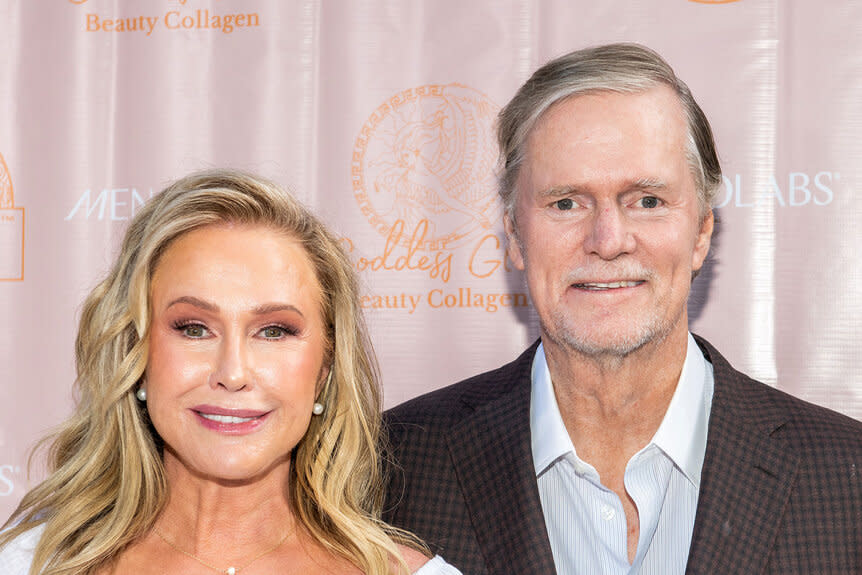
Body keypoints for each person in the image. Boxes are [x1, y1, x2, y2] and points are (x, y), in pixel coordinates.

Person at [383, 43, 862, 575]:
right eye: (566, 203)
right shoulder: (386, 474)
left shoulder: (847, 478)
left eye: (647, 201)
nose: (607, 241)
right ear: (516, 235)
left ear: (702, 230)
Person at [0, 170, 461, 575]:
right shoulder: (30, 564)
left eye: (275, 331)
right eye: (194, 328)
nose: (233, 372)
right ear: (135, 354)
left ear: (324, 367)